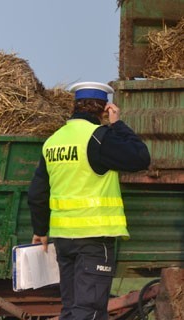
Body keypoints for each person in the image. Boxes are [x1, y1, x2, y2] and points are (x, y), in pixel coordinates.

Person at [28, 81, 151, 320]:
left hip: (63, 239)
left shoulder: (53, 141)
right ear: (105, 109)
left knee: (71, 309)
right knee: (89, 313)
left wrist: (41, 230)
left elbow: (37, 192)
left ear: (74, 106)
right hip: (94, 240)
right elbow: (140, 157)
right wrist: (118, 125)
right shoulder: (98, 138)